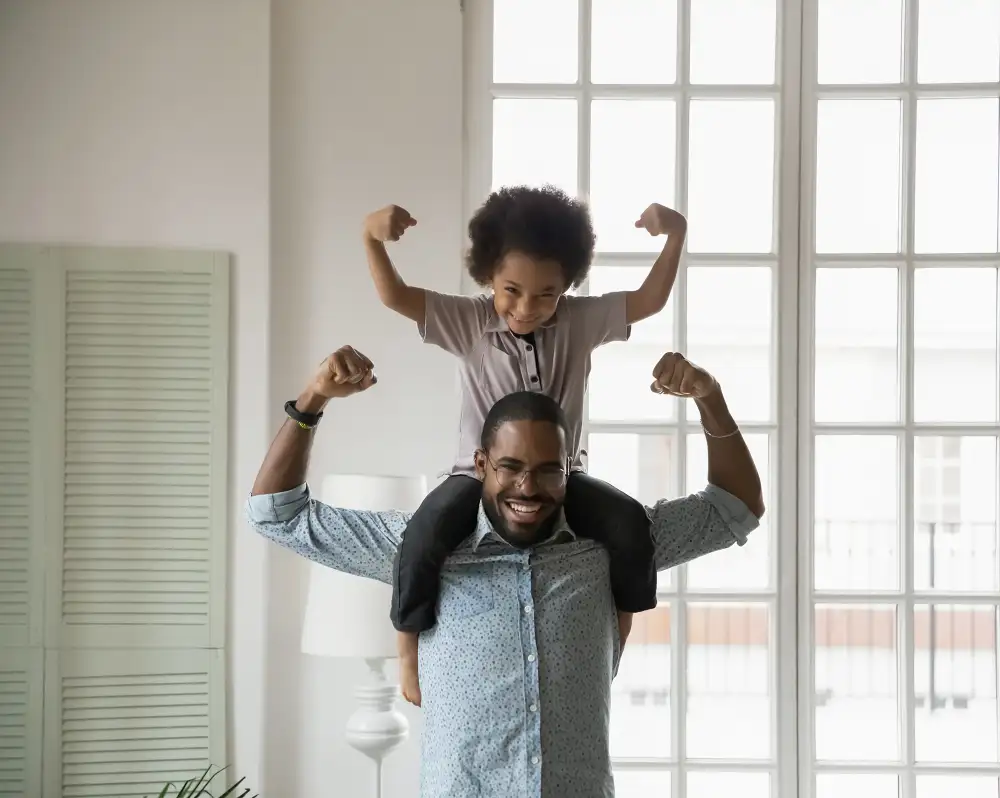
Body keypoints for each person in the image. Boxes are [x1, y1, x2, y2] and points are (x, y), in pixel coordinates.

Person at [247, 345, 764, 798]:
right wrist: (313, 400)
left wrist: (709, 396)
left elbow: (736, 507)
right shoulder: (419, 548)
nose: (527, 487)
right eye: (510, 467)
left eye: (546, 470)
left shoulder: (610, 547)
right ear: (480, 465)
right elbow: (277, 514)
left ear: (570, 471)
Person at [363, 185, 688, 705]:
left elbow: (649, 300)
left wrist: (675, 236)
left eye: (546, 294)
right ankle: (406, 651)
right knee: (422, 536)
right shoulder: (468, 322)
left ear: (567, 287)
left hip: (564, 478)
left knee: (629, 525)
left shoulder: (580, 322)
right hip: (478, 479)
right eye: (511, 290)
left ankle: (618, 637)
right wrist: (372, 239)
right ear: (488, 275)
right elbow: (395, 296)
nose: (527, 307)